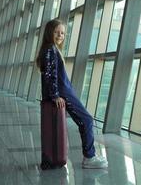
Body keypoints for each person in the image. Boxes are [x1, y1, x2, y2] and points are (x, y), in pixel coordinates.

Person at [36, 19, 108, 169]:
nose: (60, 35)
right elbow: (50, 75)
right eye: (56, 32)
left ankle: (90, 154)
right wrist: (55, 95)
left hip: (64, 92)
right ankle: (89, 157)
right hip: (63, 93)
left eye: (62, 33)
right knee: (87, 119)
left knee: (85, 120)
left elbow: (51, 74)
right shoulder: (50, 49)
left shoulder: (52, 49)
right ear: (50, 32)